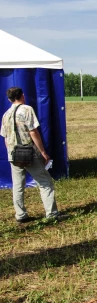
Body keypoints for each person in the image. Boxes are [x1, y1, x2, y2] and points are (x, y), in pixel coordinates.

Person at [0, 87, 60, 223]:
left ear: (9, 99)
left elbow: (5, 137)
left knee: (18, 185)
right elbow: (33, 132)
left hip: (13, 153)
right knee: (45, 182)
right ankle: (52, 214)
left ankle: (20, 215)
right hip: (28, 152)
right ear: (22, 96)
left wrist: (11, 152)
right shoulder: (27, 110)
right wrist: (43, 152)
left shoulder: (6, 114)